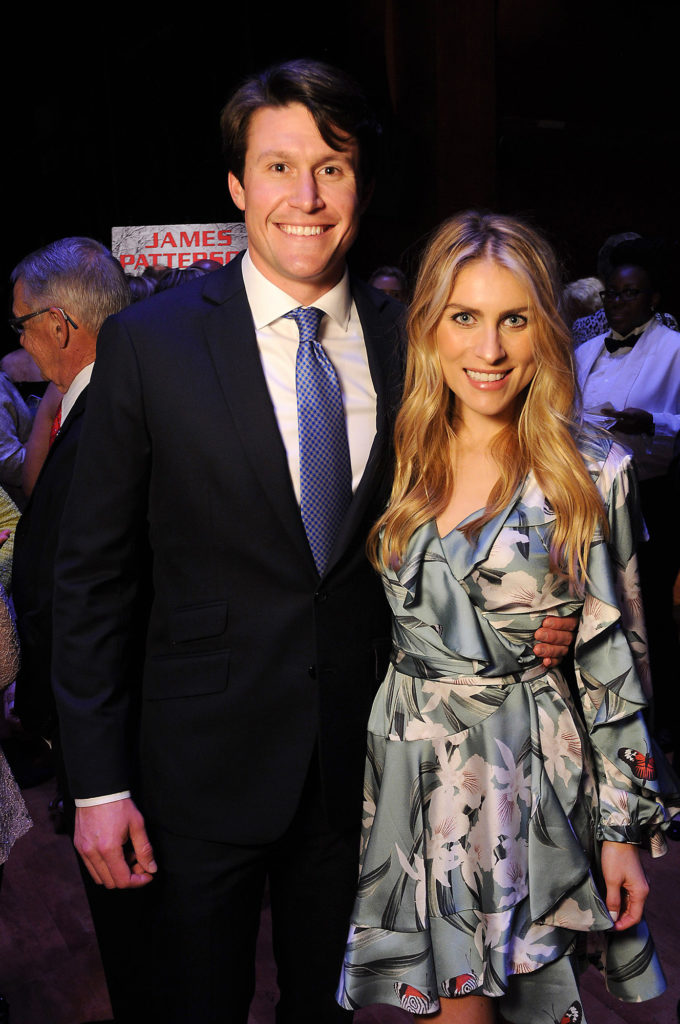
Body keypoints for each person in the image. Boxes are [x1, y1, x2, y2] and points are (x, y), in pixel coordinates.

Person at [51, 64, 575, 1024]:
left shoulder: (413, 341)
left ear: (361, 185)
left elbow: (500, 491)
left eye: (330, 168)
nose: (304, 197)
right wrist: (97, 785)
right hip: (193, 777)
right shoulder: (151, 346)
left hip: (361, 772)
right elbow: (91, 580)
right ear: (237, 187)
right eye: (279, 167)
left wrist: (545, 611)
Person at [337, 212, 677, 1024]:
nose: (488, 351)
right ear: (428, 327)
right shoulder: (388, 456)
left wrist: (624, 831)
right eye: (465, 318)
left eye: (513, 320)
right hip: (414, 772)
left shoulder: (592, 470)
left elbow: (619, 659)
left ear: (546, 330)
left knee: (536, 1002)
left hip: (534, 774)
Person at [8, 237, 153, 1024]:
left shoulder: (111, 414)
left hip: (119, 729)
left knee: (140, 944)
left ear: (61, 325)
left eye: (25, 326)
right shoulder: (81, 405)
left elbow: (94, 585)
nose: (20, 344)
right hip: (101, 724)